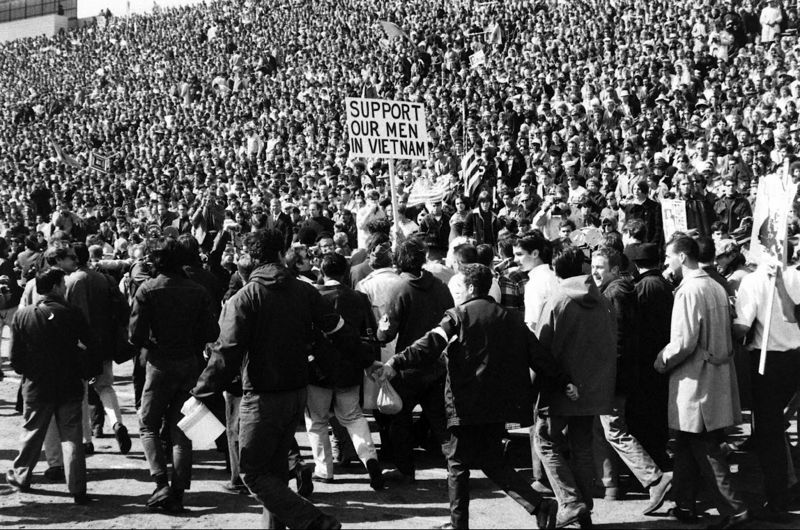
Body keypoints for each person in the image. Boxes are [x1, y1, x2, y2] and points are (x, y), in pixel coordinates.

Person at [381, 264, 560, 529]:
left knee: (457, 465)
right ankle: (539, 504)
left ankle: (458, 524)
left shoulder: (457, 317)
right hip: (497, 406)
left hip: (464, 403)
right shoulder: (510, 317)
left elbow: (429, 344)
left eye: (459, 287)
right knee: (491, 462)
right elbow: (539, 356)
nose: (456, 292)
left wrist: (395, 362)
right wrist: (564, 381)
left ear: (471, 288)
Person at [192, 229, 348, 529]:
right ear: (281, 253)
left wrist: (201, 392)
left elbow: (226, 353)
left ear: (251, 258)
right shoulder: (304, 291)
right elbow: (335, 332)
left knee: (252, 473)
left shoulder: (244, 298)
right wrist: (368, 361)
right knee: (274, 475)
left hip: (262, 396)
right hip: (296, 392)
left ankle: (315, 521)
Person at [655, 235, 748, 528]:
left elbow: (683, 341)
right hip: (713, 377)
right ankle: (683, 503)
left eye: (669, 256)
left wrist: (661, 359)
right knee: (686, 441)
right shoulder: (714, 286)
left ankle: (735, 509)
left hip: (696, 380)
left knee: (702, 445)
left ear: (682, 257)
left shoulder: (689, 291)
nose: (666, 262)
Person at [129, 237, 220, 513]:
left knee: (147, 424)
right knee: (183, 429)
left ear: (156, 261)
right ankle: (177, 490)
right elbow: (212, 332)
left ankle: (160, 483)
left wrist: (154, 344)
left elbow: (135, 335)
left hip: (158, 364)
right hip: (188, 363)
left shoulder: (147, 289)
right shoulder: (196, 290)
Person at [533, 244, 617, 528]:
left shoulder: (557, 300)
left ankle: (571, 501)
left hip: (562, 385)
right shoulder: (603, 300)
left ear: (556, 271)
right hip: (593, 386)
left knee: (545, 441)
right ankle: (584, 510)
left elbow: (541, 348)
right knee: (582, 446)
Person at [589, 247, 673, 512]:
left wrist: (606, 374)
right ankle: (612, 484)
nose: (594, 271)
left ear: (615, 269)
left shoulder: (615, 294)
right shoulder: (621, 291)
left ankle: (656, 478)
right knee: (607, 429)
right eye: (593, 266)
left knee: (615, 429)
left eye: (600, 267)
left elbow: (618, 342)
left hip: (613, 377)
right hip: (619, 375)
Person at [6, 268, 92, 504]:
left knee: (32, 433)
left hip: (37, 384)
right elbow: (90, 344)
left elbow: (15, 357)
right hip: (69, 382)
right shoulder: (72, 313)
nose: (65, 287)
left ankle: (22, 476)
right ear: (54, 286)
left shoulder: (23, 316)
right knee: (72, 436)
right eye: (63, 284)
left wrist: (28, 371)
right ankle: (77, 487)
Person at [376, 237, 453, 483]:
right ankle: (456, 467)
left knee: (400, 420)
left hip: (407, 367)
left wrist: (378, 327)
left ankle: (405, 469)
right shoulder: (441, 286)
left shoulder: (399, 289)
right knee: (441, 421)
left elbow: (386, 332)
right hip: (436, 363)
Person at [305, 253, 384, 489]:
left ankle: (324, 469)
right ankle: (370, 458)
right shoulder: (358, 297)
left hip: (318, 368)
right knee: (353, 417)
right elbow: (369, 333)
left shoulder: (312, 296)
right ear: (346, 271)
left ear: (321, 269)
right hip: (350, 366)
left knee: (317, 421)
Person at [732, 260, 800, 520]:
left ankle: (777, 501)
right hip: (793, 357)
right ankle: (783, 491)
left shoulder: (754, 280)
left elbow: (742, 327)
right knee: (775, 431)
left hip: (768, 362)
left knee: (769, 434)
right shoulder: (796, 276)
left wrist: (727, 324)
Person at [625, 242, 673, 469]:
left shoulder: (642, 287)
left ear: (636, 264)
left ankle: (655, 461)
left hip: (644, 359)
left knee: (645, 415)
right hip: (662, 354)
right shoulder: (663, 284)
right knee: (658, 412)